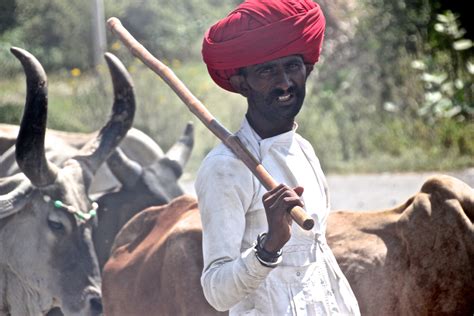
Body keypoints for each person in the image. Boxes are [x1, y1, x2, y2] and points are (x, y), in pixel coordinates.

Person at [195, 0, 360, 315]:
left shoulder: (305, 150)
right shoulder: (224, 169)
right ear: (241, 82)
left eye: (292, 67)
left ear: (307, 69)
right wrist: (270, 245)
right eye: (267, 71)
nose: (284, 83)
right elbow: (216, 292)